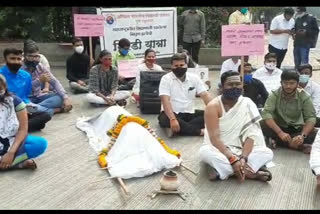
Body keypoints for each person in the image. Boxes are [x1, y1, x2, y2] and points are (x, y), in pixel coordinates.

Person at [199, 71, 273, 182]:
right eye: (230, 84)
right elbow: (214, 139)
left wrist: (243, 158)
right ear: (222, 86)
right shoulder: (213, 106)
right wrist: (232, 159)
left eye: (237, 84)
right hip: (219, 149)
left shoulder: (247, 103)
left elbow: (251, 135)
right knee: (205, 152)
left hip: (242, 149)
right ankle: (251, 173)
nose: (234, 87)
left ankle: (226, 171)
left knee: (267, 153)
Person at [261, 71, 317, 154]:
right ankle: (295, 146)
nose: (288, 86)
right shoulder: (274, 94)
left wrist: (302, 136)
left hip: (297, 129)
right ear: (281, 83)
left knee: (315, 133)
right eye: (285, 83)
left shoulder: (304, 96)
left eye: (292, 83)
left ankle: (280, 142)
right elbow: (266, 114)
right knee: (261, 124)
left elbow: (311, 117)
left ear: (298, 83)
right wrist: (280, 133)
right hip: (278, 127)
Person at [0, 74, 47, 170]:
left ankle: (7, 162)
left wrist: (11, 152)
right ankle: (17, 164)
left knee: (40, 144)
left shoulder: (14, 101)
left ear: (4, 88)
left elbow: (22, 129)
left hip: (11, 139)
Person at [158, 53, 212, 137]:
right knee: (165, 119)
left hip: (189, 112)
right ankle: (199, 132)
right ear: (171, 67)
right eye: (176, 66)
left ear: (186, 65)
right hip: (171, 113)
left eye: (181, 65)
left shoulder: (194, 78)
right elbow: (165, 100)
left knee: (210, 116)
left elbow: (205, 94)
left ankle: (178, 130)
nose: (179, 68)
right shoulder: (166, 79)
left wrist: (215, 110)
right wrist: (172, 119)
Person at [0, 48, 51, 132]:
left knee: (46, 115)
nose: (16, 62)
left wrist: (25, 108)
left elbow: (25, 97)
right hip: (5, 109)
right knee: (41, 124)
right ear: (5, 60)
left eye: (19, 59)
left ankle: (16, 127)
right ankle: (22, 127)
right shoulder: (1, 75)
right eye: (12, 59)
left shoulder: (26, 75)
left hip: (23, 107)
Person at [22, 44, 73, 116]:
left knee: (60, 98)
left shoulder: (40, 66)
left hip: (39, 96)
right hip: (26, 98)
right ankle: (54, 110)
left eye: (36, 56)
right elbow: (22, 88)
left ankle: (36, 110)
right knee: (23, 106)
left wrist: (65, 98)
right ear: (24, 56)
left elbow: (54, 82)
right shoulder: (19, 69)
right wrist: (38, 81)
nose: (34, 59)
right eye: (30, 56)